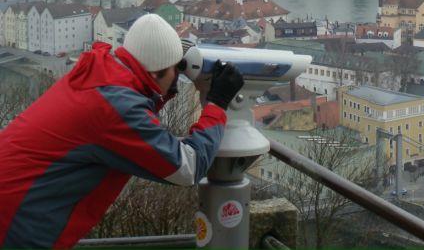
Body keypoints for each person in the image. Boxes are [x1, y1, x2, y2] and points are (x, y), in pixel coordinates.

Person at [0, 13, 244, 250]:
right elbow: (189, 168)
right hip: (18, 226)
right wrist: (217, 104)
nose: (177, 75)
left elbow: (136, 111)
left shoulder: (101, 75)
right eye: (175, 68)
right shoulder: (116, 109)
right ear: (155, 72)